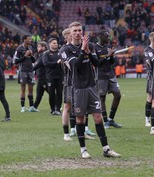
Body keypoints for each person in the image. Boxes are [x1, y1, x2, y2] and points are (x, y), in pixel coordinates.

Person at [64, 21, 120, 158]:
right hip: (78, 88)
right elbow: (76, 65)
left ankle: (106, 149)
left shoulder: (91, 46)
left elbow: (96, 63)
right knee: (80, 120)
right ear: (70, 34)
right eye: (75, 31)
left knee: (98, 117)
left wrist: (89, 52)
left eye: (79, 30)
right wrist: (83, 50)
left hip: (92, 86)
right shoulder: (65, 50)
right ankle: (83, 149)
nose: (77, 33)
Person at [94, 30, 122, 129]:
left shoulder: (108, 47)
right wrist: (107, 56)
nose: (108, 38)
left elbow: (112, 62)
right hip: (100, 76)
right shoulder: (94, 48)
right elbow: (96, 63)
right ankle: (105, 121)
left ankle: (111, 119)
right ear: (100, 36)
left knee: (118, 95)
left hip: (110, 75)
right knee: (102, 97)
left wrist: (112, 57)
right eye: (106, 36)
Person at [14, 35, 37, 113]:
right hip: (23, 70)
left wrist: (31, 55)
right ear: (24, 40)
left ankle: (31, 107)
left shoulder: (31, 48)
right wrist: (25, 56)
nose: (30, 40)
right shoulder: (19, 49)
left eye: (30, 39)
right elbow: (16, 62)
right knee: (23, 89)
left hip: (31, 71)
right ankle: (23, 107)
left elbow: (33, 61)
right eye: (28, 39)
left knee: (31, 89)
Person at [43, 38, 63, 115]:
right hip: (50, 76)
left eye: (56, 43)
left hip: (60, 76)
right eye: (54, 43)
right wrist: (57, 63)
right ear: (50, 44)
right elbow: (46, 64)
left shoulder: (60, 53)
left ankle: (58, 109)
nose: (56, 44)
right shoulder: (46, 54)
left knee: (59, 93)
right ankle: (52, 109)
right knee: (51, 93)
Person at [32, 41, 49, 111]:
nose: (37, 48)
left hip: (44, 76)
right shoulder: (40, 55)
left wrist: (32, 68)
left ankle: (57, 106)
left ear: (43, 47)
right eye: (37, 46)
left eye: (39, 46)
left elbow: (39, 64)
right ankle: (34, 107)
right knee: (39, 93)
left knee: (51, 92)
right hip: (40, 76)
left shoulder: (44, 54)